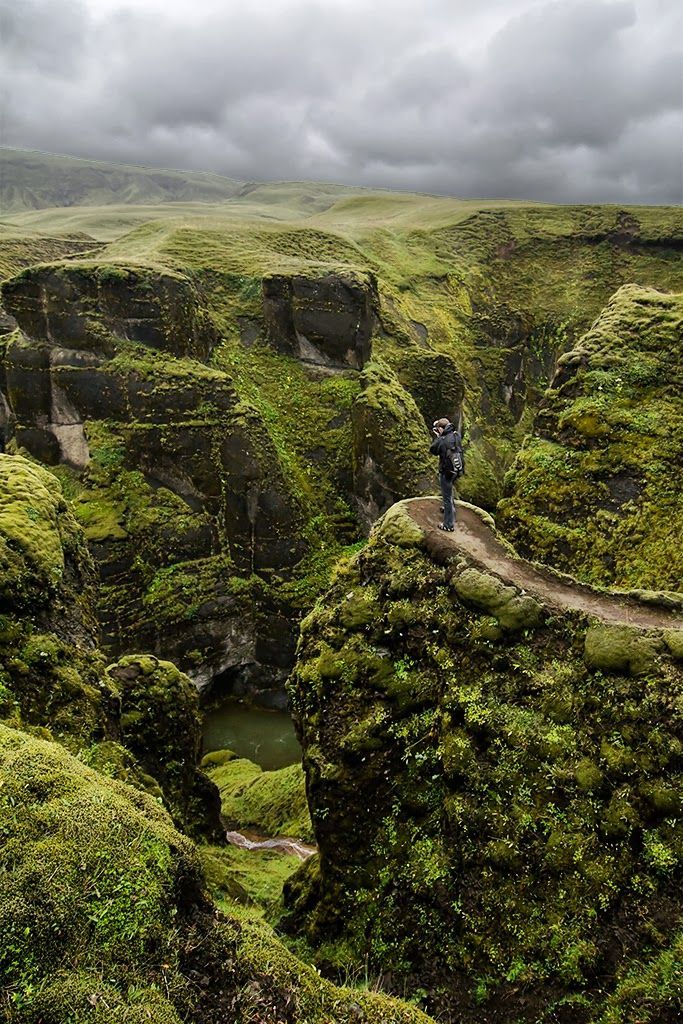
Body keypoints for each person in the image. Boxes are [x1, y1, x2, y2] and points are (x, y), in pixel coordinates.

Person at [430, 417, 462, 532]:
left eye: (438, 429)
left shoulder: (442, 440)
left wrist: (438, 437)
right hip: (457, 470)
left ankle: (448, 525)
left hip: (446, 471)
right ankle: (450, 510)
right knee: (449, 492)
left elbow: (433, 450)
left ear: (440, 429)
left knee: (447, 497)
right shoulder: (456, 435)